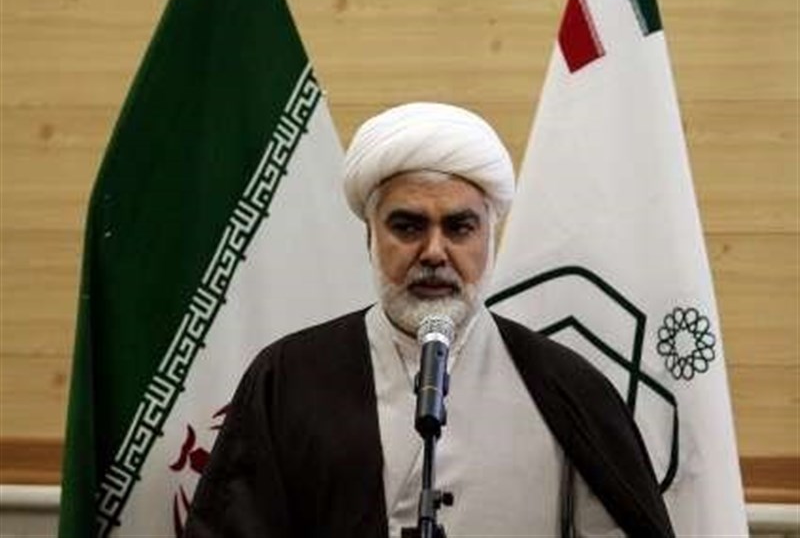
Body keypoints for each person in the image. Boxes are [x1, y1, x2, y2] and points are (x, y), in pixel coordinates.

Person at [184, 103, 674, 538]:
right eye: (408, 226)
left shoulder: (566, 387)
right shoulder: (290, 377)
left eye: (459, 227)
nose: (435, 252)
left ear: (490, 239)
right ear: (370, 237)